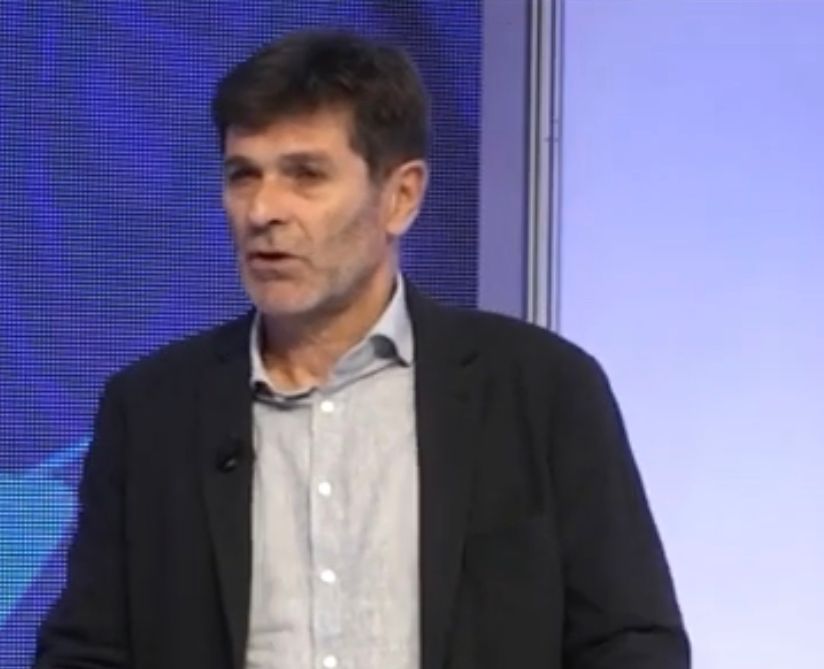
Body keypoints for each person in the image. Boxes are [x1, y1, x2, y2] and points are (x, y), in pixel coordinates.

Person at [33, 30, 690, 669]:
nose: (262, 210)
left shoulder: (540, 389)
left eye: (305, 175)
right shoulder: (153, 410)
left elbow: (631, 644)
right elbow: (87, 650)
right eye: (243, 175)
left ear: (400, 197)